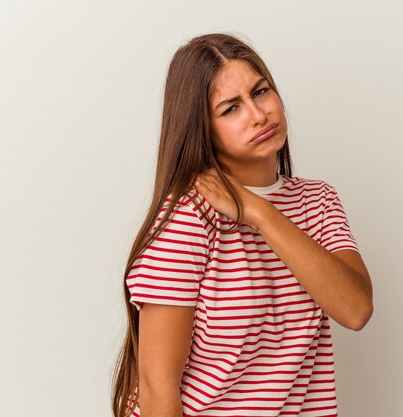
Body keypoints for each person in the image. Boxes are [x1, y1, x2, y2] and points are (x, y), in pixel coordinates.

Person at [111, 33, 373, 417]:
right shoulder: (188, 218)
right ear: (202, 128)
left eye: (261, 92)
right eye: (230, 108)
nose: (258, 114)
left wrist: (258, 212)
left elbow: (356, 310)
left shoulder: (318, 202)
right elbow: (157, 389)